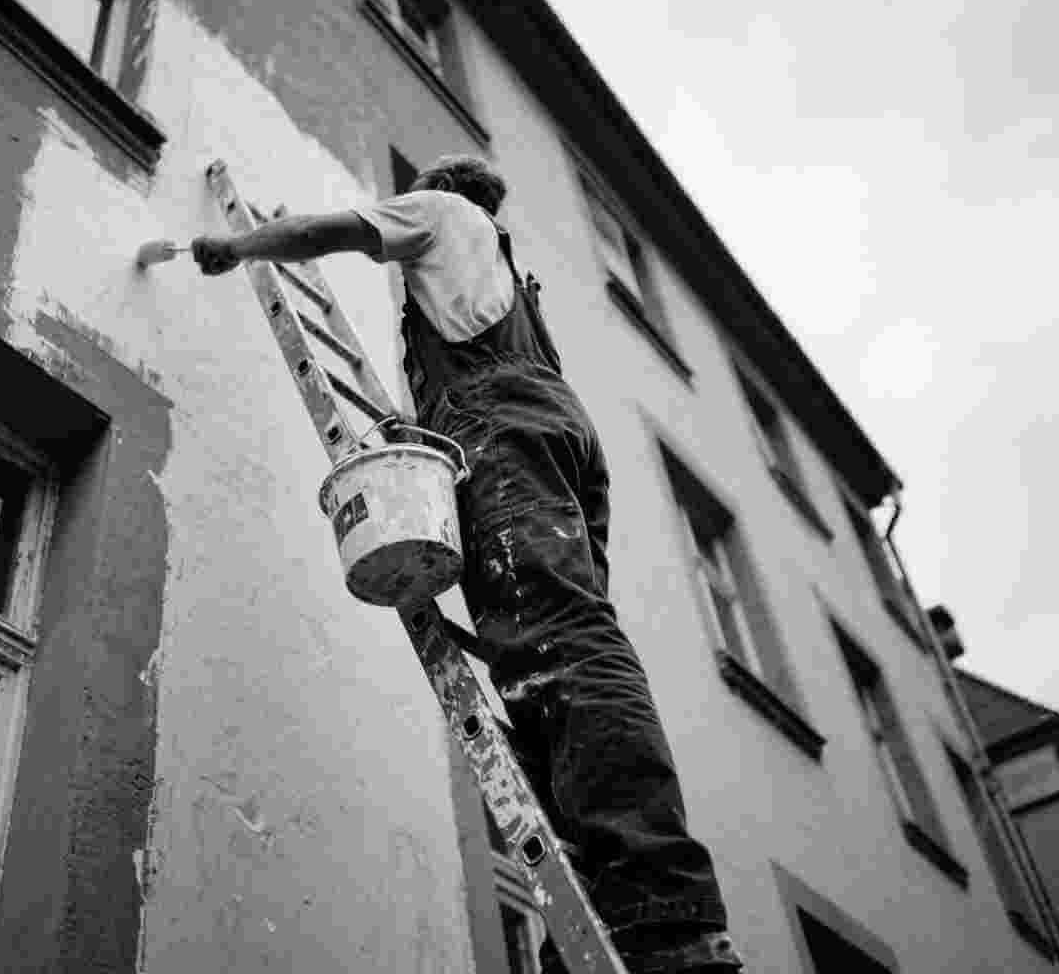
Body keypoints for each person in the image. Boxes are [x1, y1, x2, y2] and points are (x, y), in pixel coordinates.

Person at [192, 155, 744, 973]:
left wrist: (238, 246)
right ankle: (604, 909)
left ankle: (659, 909)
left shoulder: (441, 214)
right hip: (544, 431)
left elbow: (325, 232)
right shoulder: (501, 275)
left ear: (447, 191)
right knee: (543, 659)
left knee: (559, 641)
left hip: (504, 423)